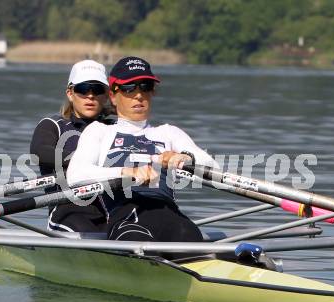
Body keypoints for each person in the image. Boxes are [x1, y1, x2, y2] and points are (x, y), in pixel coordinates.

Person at [67, 56, 218, 242]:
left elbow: (213, 168)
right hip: (127, 218)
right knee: (134, 237)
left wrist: (183, 158)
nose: (138, 95)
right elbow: (76, 176)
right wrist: (128, 172)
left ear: (152, 92)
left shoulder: (169, 133)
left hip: (171, 218)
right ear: (113, 96)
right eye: (129, 88)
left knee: (188, 233)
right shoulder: (99, 131)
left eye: (145, 86)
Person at [30, 60, 115, 232]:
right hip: (68, 209)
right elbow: (39, 153)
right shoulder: (53, 125)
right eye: (83, 89)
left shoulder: (115, 128)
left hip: (113, 211)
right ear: (70, 93)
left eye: (97, 90)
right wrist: (85, 160)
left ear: (106, 95)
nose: (90, 96)